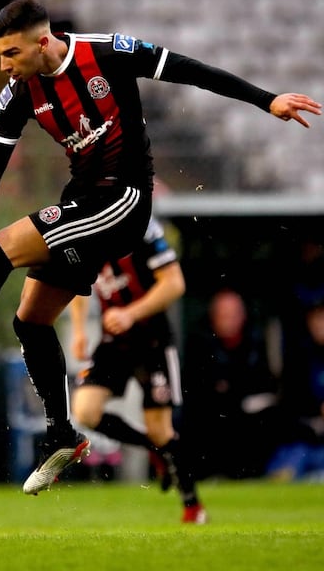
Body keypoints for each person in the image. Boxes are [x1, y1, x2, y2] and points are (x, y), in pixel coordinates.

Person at [0, 0, 320, 495]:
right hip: (84, 203)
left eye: (10, 53)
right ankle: (62, 434)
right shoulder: (18, 93)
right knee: (29, 319)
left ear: (42, 42)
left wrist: (266, 99)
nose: (3, 65)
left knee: (0, 249)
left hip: (125, 200)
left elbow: (187, 70)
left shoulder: (108, 55)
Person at [69, 217, 207, 523]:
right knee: (85, 411)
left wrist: (131, 314)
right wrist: (79, 331)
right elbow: (76, 282)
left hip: (152, 340)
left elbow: (175, 283)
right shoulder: (83, 230)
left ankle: (193, 508)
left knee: (161, 429)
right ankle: (153, 449)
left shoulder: (143, 228)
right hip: (113, 342)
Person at [183, 288, 281, 479]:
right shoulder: (199, 341)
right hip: (210, 416)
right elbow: (196, 388)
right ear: (213, 317)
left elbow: (263, 383)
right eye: (223, 315)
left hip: (247, 416)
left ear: (242, 316)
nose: (229, 321)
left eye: (233, 315)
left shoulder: (255, 339)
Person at [267, 292, 324, 482]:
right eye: (318, 318)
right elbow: (289, 401)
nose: (322, 324)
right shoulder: (297, 354)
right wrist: (320, 410)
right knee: (296, 454)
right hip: (304, 436)